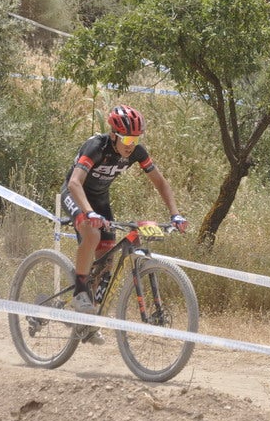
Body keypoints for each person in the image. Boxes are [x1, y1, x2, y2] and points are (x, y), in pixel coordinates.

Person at [61, 105, 188, 344]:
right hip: (76, 194)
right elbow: (75, 184)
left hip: (100, 200)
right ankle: (79, 291)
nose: (131, 144)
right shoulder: (96, 147)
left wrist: (176, 214)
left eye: (135, 138)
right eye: (127, 138)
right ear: (114, 135)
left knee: (106, 260)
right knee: (93, 236)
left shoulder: (137, 152)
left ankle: (86, 321)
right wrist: (88, 213)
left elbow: (160, 183)